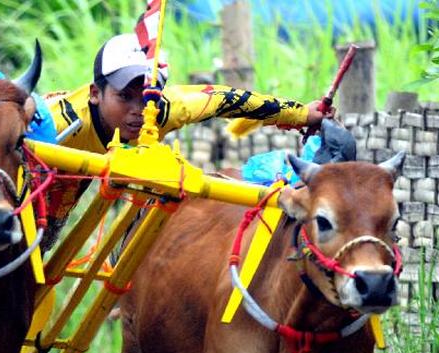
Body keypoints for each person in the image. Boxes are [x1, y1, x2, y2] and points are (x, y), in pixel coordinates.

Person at [41, 33, 326, 234]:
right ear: (95, 93)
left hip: (109, 168)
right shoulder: (59, 124)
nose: (138, 110)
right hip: (49, 166)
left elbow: (228, 99)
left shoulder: (161, 110)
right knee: (43, 228)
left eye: (147, 97)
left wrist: (301, 114)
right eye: (125, 96)